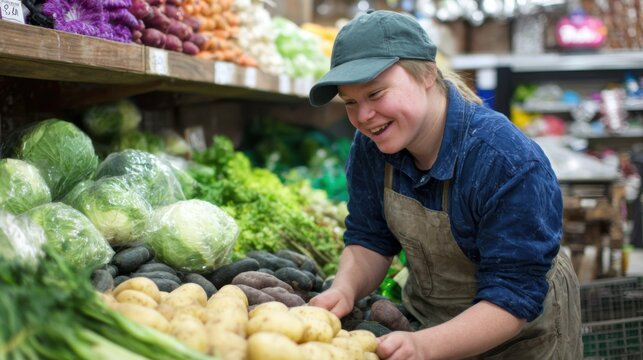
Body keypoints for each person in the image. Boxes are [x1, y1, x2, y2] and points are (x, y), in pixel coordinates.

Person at [308, 9, 582, 360]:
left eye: (375, 94)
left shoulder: (504, 160)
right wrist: (345, 289)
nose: (363, 117)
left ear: (427, 75)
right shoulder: (372, 147)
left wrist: (424, 346)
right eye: (350, 102)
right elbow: (369, 239)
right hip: (431, 322)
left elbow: (513, 297)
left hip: (521, 339)